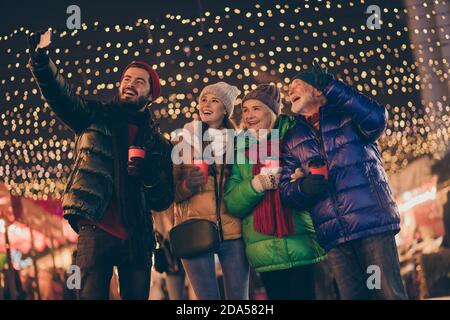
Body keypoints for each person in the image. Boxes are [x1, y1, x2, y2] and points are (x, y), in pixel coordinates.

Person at [27, 30, 174, 300]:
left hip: (137, 237)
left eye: (139, 82)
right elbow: (61, 96)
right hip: (96, 229)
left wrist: (149, 175)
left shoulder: (159, 145)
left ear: (151, 95)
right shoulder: (94, 116)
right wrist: (41, 61)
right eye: (127, 79)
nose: (130, 84)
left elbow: (164, 199)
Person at [280, 60, 408, 300]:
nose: (290, 91)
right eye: (289, 89)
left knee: (387, 294)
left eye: (297, 84)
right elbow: (286, 191)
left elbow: (377, 118)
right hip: (334, 235)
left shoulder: (348, 115)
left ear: (317, 90)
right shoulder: (292, 138)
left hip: (369, 223)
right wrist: (303, 188)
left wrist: (333, 86)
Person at [224, 84, 326, 300]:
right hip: (264, 253)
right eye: (246, 110)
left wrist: (300, 183)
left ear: (272, 111)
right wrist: (256, 185)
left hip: (302, 244)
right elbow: (232, 203)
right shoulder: (240, 150)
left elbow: (319, 176)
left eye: (256, 109)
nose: (250, 115)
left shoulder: (295, 135)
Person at [172, 82, 249, 299]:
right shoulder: (183, 139)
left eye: (215, 100)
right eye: (204, 99)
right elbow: (170, 192)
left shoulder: (238, 142)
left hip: (233, 231)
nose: (206, 104)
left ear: (225, 108)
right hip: (194, 228)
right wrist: (187, 186)